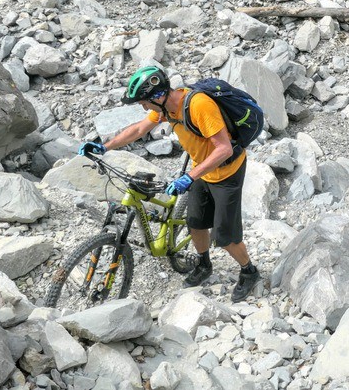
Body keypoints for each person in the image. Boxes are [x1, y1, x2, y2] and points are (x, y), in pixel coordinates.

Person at [77, 66, 261, 303]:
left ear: (158, 96)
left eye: (144, 102)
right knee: (195, 222)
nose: (144, 107)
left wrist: (189, 176)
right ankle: (204, 264)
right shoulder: (166, 108)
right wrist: (105, 146)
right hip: (200, 170)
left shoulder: (199, 105)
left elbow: (224, 149)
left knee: (226, 236)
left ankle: (249, 271)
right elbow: (139, 129)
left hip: (226, 173)